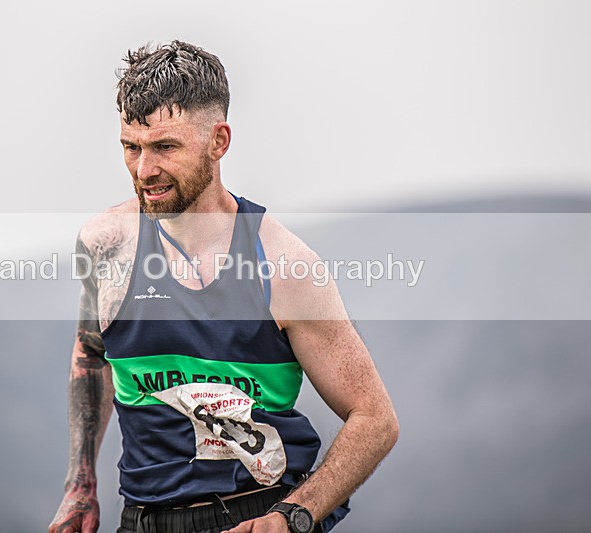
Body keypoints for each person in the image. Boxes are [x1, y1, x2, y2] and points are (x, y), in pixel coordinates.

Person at [48, 40, 398, 533]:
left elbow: (374, 419)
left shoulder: (285, 266)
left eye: (166, 147)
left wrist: (294, 516)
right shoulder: (106, 245)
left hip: (256, 513)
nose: (145, 170)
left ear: (218, 141)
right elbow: (91, 352)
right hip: (142, 518)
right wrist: (79, 486)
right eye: (132, 148)